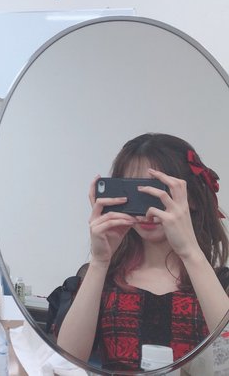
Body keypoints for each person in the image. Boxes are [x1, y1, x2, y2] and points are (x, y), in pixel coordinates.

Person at [57, 133, 229, 371]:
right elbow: (67, 362)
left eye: (157, 192)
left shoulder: (219, 284)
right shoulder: (102, 277)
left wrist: (190, 251)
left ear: (191, 198)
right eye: (135, 193)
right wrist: (99, 262)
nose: (148, 210)